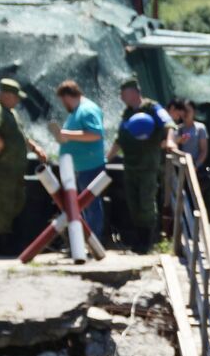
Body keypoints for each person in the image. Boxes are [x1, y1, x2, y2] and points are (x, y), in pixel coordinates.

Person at [0, 78, 47, 257]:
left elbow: (20, 134)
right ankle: (2, 243)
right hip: (0, 168)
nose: (18, 101)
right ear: (6, 95)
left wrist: (34, 147)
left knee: (17, 202)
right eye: (16, 97)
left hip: (13, 169)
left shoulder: (10, 111)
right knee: (4, 205)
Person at [107, 79, 175, 252]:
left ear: (133, 93)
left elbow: (169, 124)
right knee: (133, 204)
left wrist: (169, 141)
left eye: (124, 94)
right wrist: (107, 158)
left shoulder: (153, 108)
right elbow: (119, 139)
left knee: (146, 202)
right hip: (130, 166)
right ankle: (138, 241)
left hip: (148, 167)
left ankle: (148, 242)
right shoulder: (127, 114)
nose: (122, 98)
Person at [52, 79, 108, 240]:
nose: (64, 104)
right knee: (83, 206)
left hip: (90, 166)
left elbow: (95, 134)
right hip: (80, 166)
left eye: (63, 101)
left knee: (91, 205)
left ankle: (95, 240)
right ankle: (87, 241)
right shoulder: (77, 111)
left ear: (67, 96)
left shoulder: (87, 110)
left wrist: (66, 134)